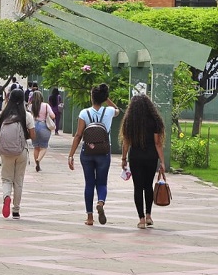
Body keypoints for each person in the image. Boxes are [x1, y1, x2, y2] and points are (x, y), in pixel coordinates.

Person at [67, 83, 121, 226]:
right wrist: (106, 99)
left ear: (91, 97)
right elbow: (118, 110)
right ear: (103, 98)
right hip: (104, 152)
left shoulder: (84, 113)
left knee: (89, 183)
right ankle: (101, 202)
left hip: (87, 152)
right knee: (102, 182)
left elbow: (78, 135)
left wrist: (71, 155)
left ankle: (90, 218)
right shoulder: (109, 111)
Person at [120, 94, 165, 229]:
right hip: (151, 157)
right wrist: (162, 162)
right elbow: (157, 143)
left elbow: (126, 142)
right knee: (148, 186)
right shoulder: (154, 120)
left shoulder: (130, 120)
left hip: (136, 157)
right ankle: (149, 215)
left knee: (138, 187)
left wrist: (123, 158)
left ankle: (141, 219)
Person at [0, 89, 35, 219]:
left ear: (9, 98)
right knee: (18, 180)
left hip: (6, 152)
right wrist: (23, 136)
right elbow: (33, 136)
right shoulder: (27, 116)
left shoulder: (3, 114)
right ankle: (16, 210)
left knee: (6, 178)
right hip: (21, 151)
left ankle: (6, 196)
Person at [30, 91, 55, 171]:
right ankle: (38, 160)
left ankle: (38, 165)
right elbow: (53, 116)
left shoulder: (31, 106)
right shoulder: (46, 105)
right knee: (43, 147)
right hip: (44, 126)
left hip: (34, 126)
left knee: (36, 147)